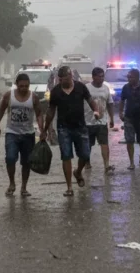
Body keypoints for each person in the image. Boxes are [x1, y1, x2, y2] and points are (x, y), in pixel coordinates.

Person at [42, 65, 100, 197]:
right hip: (64, 128)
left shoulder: (81, 87)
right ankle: (69, 187)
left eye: (66, 79)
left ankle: (78, 172)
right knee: (66, 156)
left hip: (80, 126)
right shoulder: (56, 92)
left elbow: (91, 101)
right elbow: (51, 111)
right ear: (59, 79)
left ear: (71, 76)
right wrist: (46, 129)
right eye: (61, 79)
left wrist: (96, 111)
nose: (64, 82)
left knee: (85, 155)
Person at [0, 73, 44, 197]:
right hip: (12, 133)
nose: (23, 88)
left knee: (26, 162)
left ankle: (24, 187)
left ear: (29, 86)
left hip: (28, 134)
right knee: (10, 158)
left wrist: (42, 129)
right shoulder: (9, 95)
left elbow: (39, 114)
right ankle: (12, 183)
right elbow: (1, 109)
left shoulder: (34, 97)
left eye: (26, 86)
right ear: (16, 85)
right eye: (21, 86)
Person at [118, 68, 140, 170]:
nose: (129, 79)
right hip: (129, 118)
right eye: (128, 77)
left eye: (131, 77)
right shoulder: (125, 88)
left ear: (137, 77)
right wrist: (120, 113)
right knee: (129, 140)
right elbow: (122, 100)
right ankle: (131, 162)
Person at [84, 67, 116, 173]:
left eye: (103, 76)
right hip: (88, 122)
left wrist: (111, 119)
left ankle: (106, 166)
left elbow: (110, 103)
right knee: (87, 145)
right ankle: (87, 162)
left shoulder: (106, 88)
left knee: (104, 144)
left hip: (102, 122)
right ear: (93, 77)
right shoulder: (86, 88)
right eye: (99, 76)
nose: (101, 78)